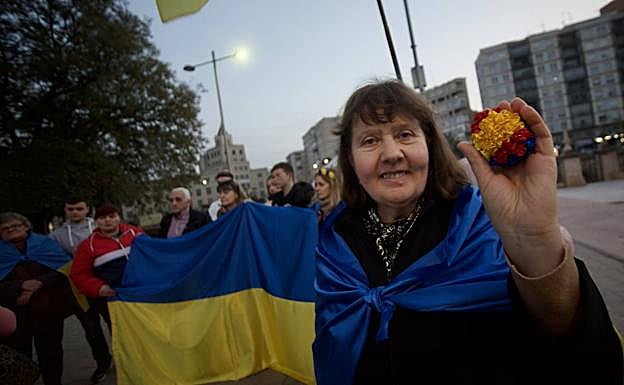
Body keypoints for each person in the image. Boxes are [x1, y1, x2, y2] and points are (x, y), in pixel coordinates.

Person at [313, 80, 623, 385]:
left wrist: (536, 241)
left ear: (430, 146)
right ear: (351, 161)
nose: (392, 153)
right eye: (369, 141)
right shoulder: (333, 241)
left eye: (405, 134)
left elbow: (581, 355)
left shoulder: (479, 221)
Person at [0, 212, 77, 385]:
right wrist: (20, 286)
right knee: (18, 355)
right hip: (15, 314)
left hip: (49, 309)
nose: (11, 229)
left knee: (51, 352)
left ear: (26, 227)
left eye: (16, 226)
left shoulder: (45, 244)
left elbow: (64, 270)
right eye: (5, 228)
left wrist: (40, 282)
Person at [48, 198, 112, 383]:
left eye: (79, 208)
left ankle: (124, 357)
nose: (75, 212)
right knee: (91, 329)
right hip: (77, 289)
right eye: (71, 209)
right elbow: (56, 261)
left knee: (115, 324)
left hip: (104, 286)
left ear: (87, 210)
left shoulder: (101, 228)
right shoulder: (57, 236)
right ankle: (102, 362)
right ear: (65, 210)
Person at [70, 205, 143, 332]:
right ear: (96, 221)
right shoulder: (87, 246)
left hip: (142, 293)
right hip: (114, 299)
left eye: (112, 216)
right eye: (102, 218)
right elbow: (79, 274)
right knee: (122, 335)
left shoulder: (135, 233)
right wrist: (99, 288)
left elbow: (154, 254)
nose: (107, 220)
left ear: (119, 218)